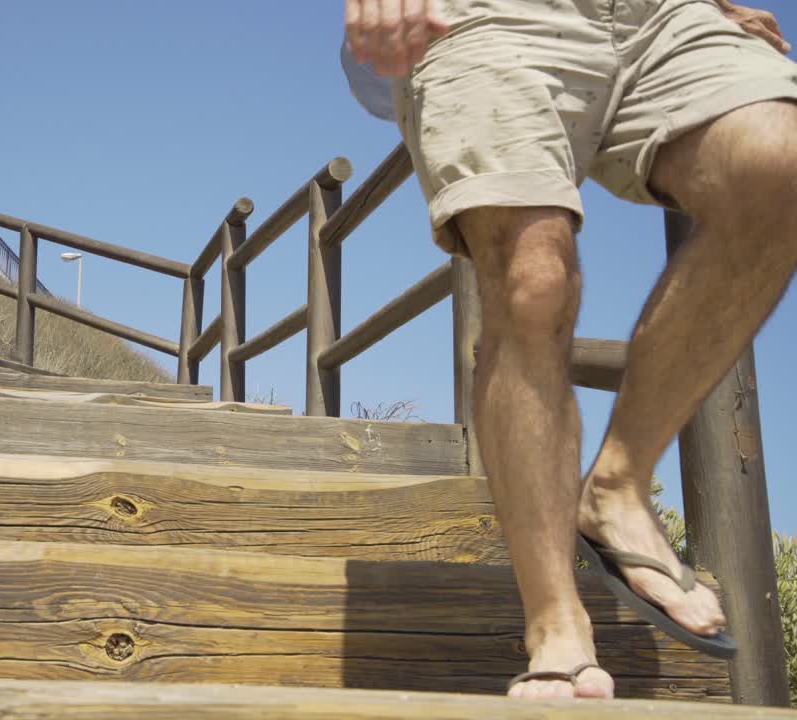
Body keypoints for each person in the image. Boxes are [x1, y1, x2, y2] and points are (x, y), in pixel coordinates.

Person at [341, 0, 796, 700]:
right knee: (533, 279)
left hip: (662, 13)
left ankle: (617, 487)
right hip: (490, 16)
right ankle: (554, 618)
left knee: (781, 163)